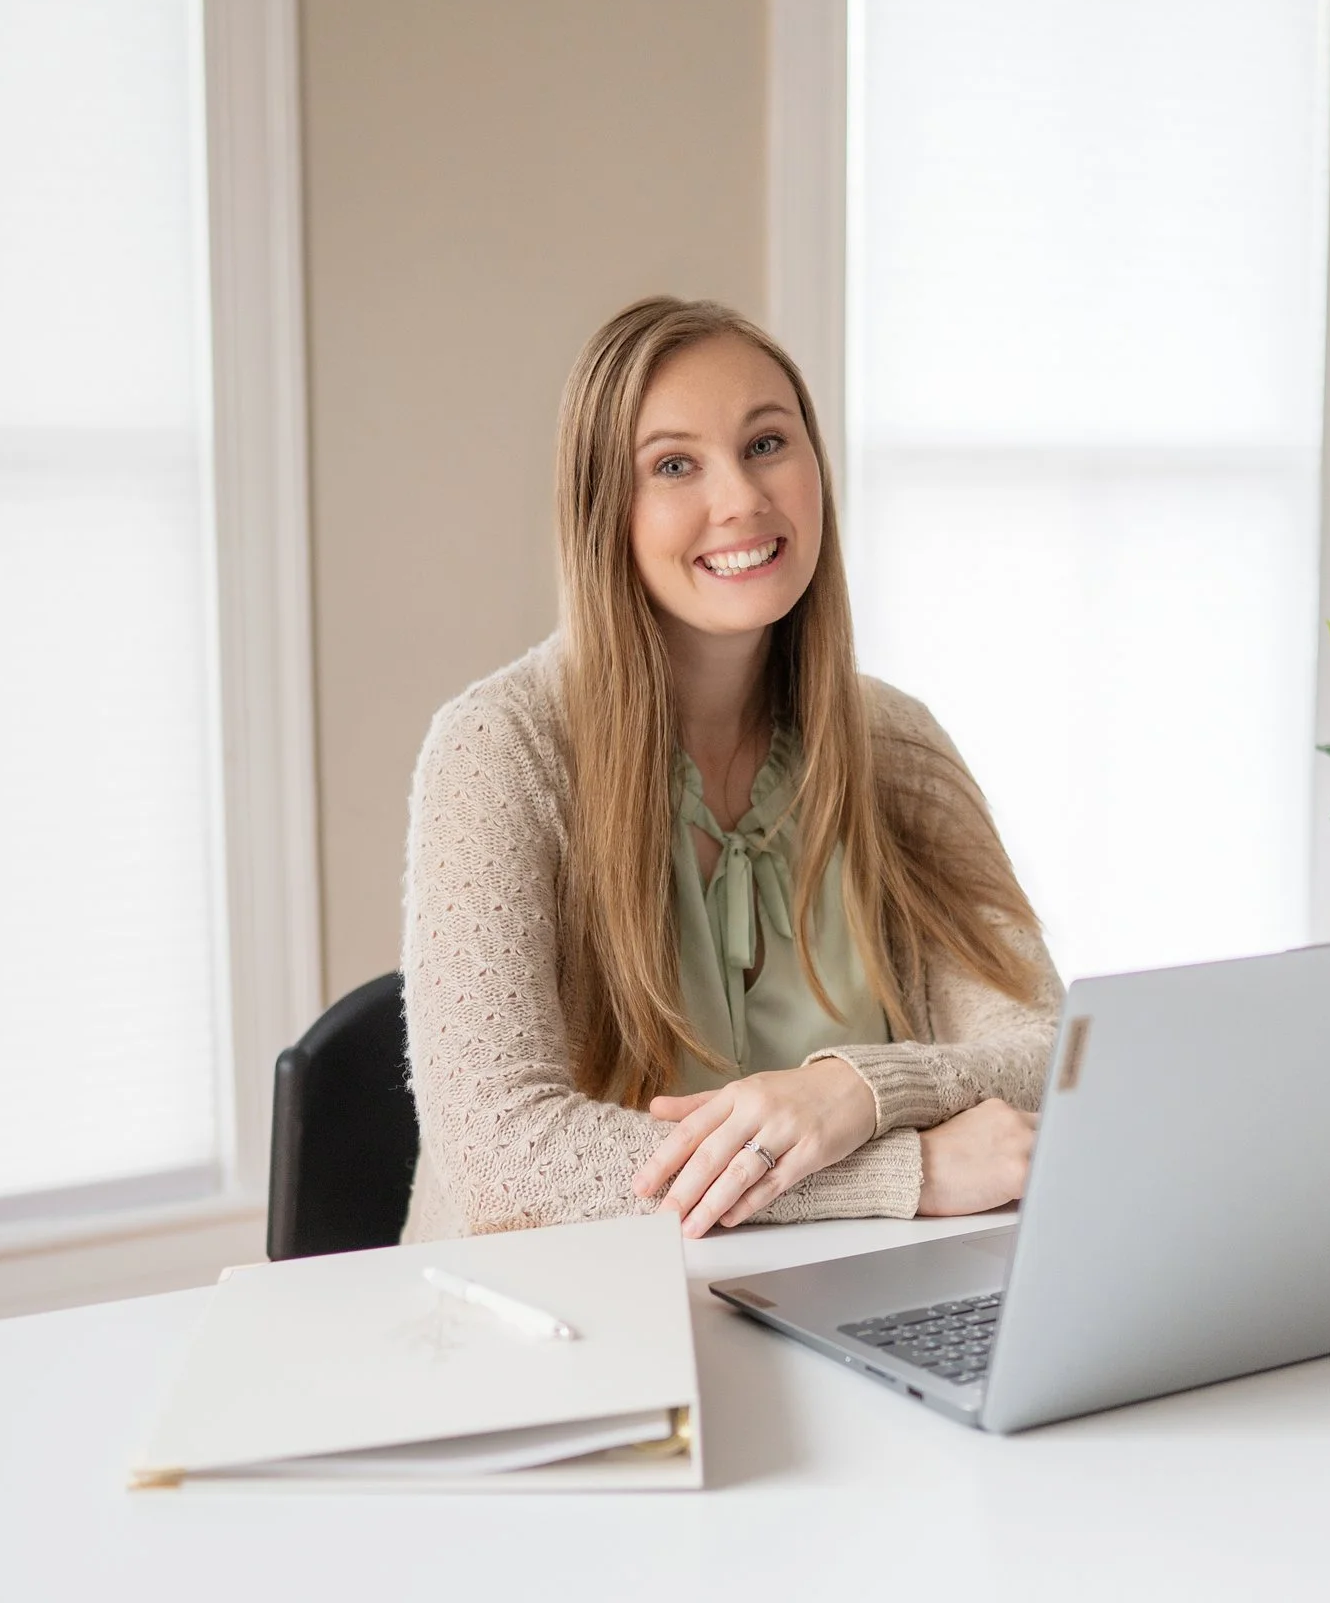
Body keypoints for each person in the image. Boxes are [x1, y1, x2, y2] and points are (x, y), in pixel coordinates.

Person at [399, 297, 1061, 1243]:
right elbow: (506, 1154)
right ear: (604, 511)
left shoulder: (894, 745)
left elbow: (1043, 1049)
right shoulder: (497, 750)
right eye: (675, 465)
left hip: (824, 1298)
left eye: (766, 444)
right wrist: (897, 1170)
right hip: (551, 1320)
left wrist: (852, 1093)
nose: (743, 500)